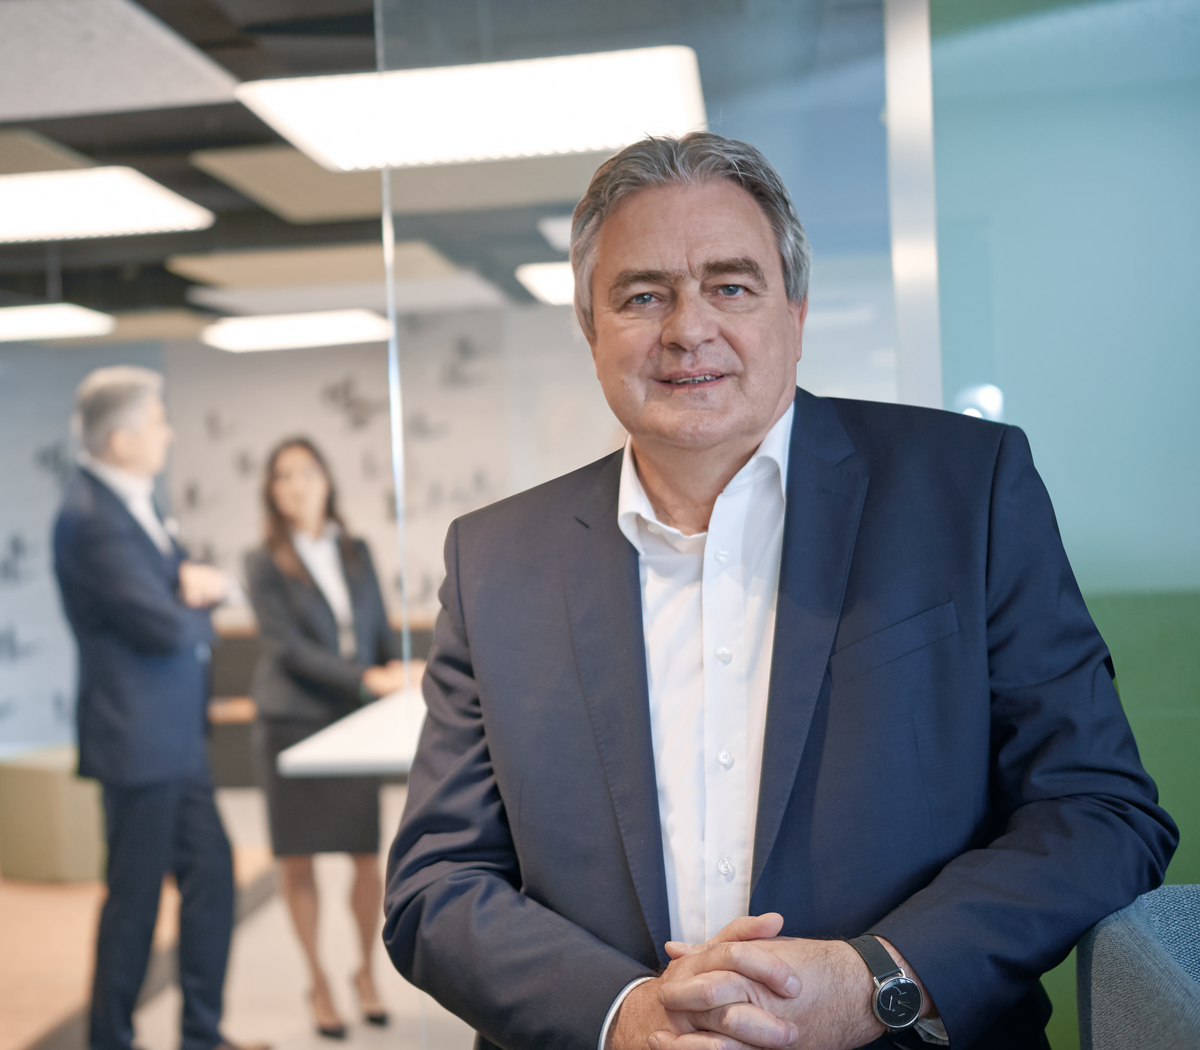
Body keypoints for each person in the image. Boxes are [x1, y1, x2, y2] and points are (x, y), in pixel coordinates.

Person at [382, 133, 1177, 1050]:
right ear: (590, 330)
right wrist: (624, 1017)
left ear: (794, 313)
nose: (688, 329)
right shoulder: (495, 561)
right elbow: (436, 883)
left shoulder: (966, 490)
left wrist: (879, 979)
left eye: (731, 286)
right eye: (642, 296)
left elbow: (1099, 810)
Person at [53, 366, 252, 1050]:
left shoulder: (134, 500)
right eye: (158, 421)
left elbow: (171, 587)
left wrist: (189, 586)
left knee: (212, 878)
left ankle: (202, 1035)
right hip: (137, 743)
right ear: (121, 439)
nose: (168, 433)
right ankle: (109, 1040)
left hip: (176, 740)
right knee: (134, 905)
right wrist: (205, 595)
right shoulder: (90, 518)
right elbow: (163, 625)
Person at [244, 437, 405, 1039]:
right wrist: (365, 678)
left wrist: (397, 669)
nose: (297, 485)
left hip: (351, 724)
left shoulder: (355, 550)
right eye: (283, 476)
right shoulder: (263, 561)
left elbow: (377, 626)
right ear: (272, 491)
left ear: (326, 480)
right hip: (290, 721)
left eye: (306, 472)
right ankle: (317, 980)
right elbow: (287, 648)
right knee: (299, 859)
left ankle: (365, 972)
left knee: (365, 856)